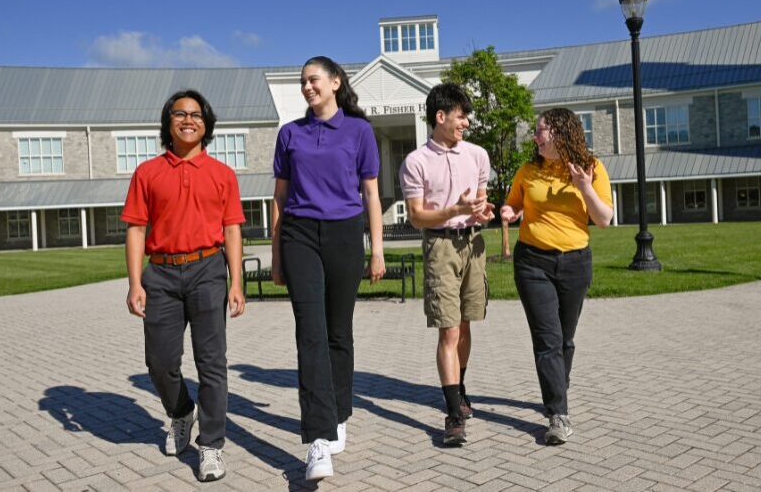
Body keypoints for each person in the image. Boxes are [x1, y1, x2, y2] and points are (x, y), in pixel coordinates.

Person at [122, 89, 246, 482]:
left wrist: (236, 282)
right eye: (180, 114)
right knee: (159, 362)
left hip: (208, 270)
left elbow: (232, 230)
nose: (188, 119)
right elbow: (136, 229)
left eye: (196, 114)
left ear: (206, 124)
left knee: (212, 364)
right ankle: (180, 413)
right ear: (168, 122)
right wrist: (134, 282)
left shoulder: (223, 174)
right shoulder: (147, 173)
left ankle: (210, 446)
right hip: (159, 275)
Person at [270, 56, 385, 481]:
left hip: (343, 235)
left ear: (335, 82)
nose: (307, 87)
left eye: (313, 79)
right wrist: (277, 256)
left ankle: (338, 413)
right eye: (302, 82)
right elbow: (279, 199)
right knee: (311, 333)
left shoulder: (359, 131)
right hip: (299, 234)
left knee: (339, 331)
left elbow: (371, 195)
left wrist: (377, 250)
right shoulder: (290, 134)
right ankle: (318, 439)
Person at [500, 108, 613, 445]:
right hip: (533, 262)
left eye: (541, 131)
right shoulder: (528, 169)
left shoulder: (591, 167)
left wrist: (584, 187)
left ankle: (557, 387)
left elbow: (604, 218)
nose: (535, 137)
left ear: (562, 134)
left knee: (565, 338)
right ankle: (557, 414)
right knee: (548, 339)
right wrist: (510, 210)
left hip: (576, 263)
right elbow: (514, 205)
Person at [399, 83, 494, 446]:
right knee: (449, 331)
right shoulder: (416, 162)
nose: (466, 123)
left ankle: (460, 388)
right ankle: (453, 414)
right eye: (460, 116)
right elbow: (417, 217)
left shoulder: (478, 156)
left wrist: (483, 211)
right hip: (440, 245)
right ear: (440, 117)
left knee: (467, 326)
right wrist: (453, 210)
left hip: (474, 243)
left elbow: (481, 204)